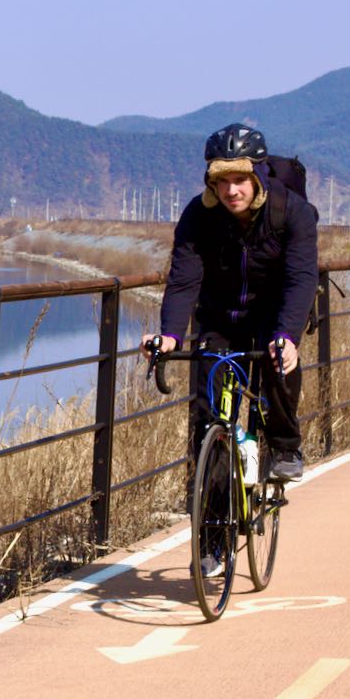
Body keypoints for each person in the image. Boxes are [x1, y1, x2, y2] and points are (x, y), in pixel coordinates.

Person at [140, 123, 320, 484]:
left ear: (257, 177)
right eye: (221, 181)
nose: (231, 190)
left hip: (273, 312)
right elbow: (184, 279)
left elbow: (301, 278)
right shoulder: (198, 215)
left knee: (278, 363)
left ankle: (285, 448)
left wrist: (288, 336)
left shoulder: (292, 211)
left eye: (239, 180)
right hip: (220, 315)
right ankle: (211, 490)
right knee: (209, 407)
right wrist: (170, 335)